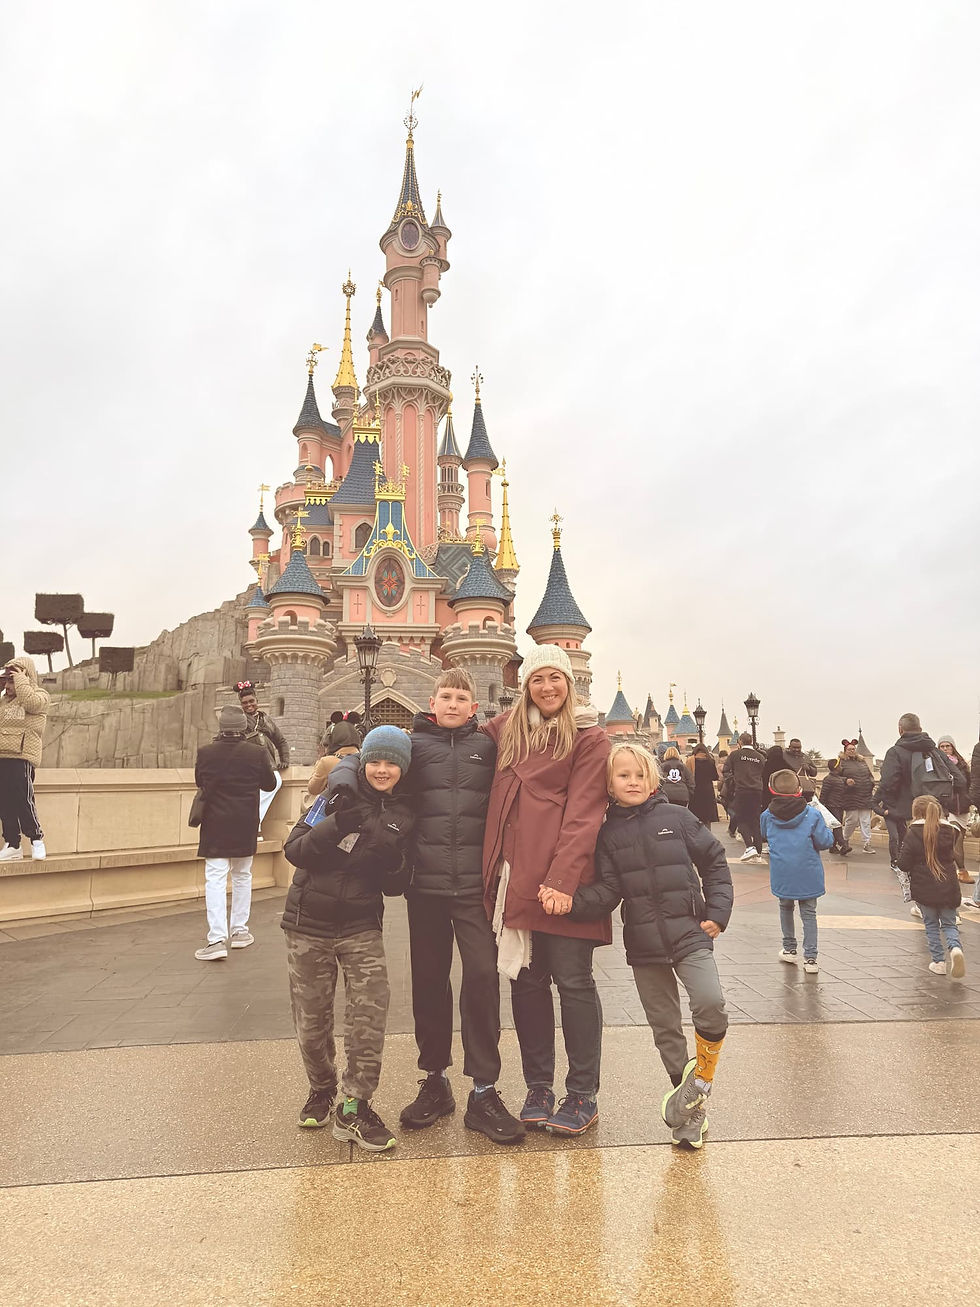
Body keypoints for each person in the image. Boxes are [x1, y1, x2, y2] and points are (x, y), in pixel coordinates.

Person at [568, 744, 732, 1150]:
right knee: (666, 1029)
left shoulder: (677, 817)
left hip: (690, 933)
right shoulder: (607, 833)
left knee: (710, 1003)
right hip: (643, 945)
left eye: (640, 775)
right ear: (609, 783)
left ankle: (702, 1082)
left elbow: (713, 860)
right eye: (623, 776)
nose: (633, 782)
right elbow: (608, 890)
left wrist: (718, 910)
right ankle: (689, 1113)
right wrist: (571, 903)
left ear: (655, 779)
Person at [481, 644, 611, 1136]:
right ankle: (539, 1086)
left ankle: (582, 1094)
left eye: (556, 678)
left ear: (569, 683)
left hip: (564, 883)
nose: (548, 688)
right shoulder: (508, 732)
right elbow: (455, 741)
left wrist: (561, 881)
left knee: (574, 985)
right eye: (538, 680)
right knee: (527, 984)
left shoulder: (587, 737)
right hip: (515, 881)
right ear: (525, 686)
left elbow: (584, 812)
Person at [399, 668, 523, 1144]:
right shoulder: (413, 748)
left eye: (461, 698)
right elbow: (377, 776)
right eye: (445, 696)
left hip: (475, 888)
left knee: (481, 980)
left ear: (475, 707)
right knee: (429, 984)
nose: (453, 704)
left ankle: (484, 1090)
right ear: (432, 702)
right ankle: (435, 1080)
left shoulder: (487, 749)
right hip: (424, 889)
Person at [280, 726, 415, 1151]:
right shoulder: (334, 797)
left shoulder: (405, 814)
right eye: (374, 760)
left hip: (360, 925)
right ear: (363, 761)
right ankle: (321, 1088)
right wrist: (337, 824)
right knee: (312, 1020)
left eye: (391, 762)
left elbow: (397, 884)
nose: (382, 769)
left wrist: (390, 863)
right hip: (308, 924)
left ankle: (354, 1105)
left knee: (369, 1017)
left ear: (403, 769)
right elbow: (295, 849)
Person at [193, 704, 277, 960]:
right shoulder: (257, 753)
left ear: (221, 728)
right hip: (245, 823)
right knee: (242, 876)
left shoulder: (205, 753)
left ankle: (216, 938)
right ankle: (240, 932)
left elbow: (200, 782)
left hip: (216, 824)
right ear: (244, 727)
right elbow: (269, 783)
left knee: (216, 879)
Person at [877, 714, 966, 893]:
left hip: (912, 814)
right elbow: (960, 780)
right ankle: (948, 903)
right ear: (920, 728)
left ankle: (922, 902)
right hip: (938, 813)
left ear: (900, 729)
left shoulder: (895, 752)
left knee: (917, 859)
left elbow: (887, 784)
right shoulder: (936, 751)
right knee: (942, 858)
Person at [761, 769, 834, 974]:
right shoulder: (812, 814)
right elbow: (825, 841)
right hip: (807, 870)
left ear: (771, 789)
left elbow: (764, 835)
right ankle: (810, 959)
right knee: (809, 913)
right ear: (799, 789)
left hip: (782, 870)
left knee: (785, 907)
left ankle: (789, 948)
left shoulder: (767, 815)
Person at [897, 796, 966, 978]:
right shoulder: (951, 831)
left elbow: (903, 863)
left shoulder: (913, 832)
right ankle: (955, 948)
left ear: (917, 812)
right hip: (949, 885)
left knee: (931, 925)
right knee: (950, 924)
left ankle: (938, 962)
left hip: (924, 887)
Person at [0, 657, 50, 862]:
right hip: (2, 755)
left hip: (21, 758)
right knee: (4, 803)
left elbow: (32, 703)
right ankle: (12, 844)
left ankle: (37, 839)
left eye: (12, 680)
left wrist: (21, 680)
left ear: (25, 678)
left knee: (23, 800)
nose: (8, 685)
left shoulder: (40, 696)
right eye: (6, 681)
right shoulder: (3, 701)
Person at [236, 681, 289, 836]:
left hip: (268, 764)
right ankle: (253, 827)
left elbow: (281, 741)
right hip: (247, 764)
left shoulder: (266, 719)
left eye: (251, 701)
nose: (249, 705)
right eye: (245, 703)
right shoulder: (239, 720)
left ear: (257, 701)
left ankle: (252, 823)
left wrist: (284, 758)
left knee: (275, 782)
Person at [722, 733, 766, 863]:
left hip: (742, 790)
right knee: (755, 820)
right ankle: (758, 853)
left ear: (740, 742)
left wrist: (733, 781)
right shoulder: (760, 757)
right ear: (751, 741)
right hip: (757, 791)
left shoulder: (735, 755)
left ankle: (749, 847)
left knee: (741, 819)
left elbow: (726, 770)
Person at [937, 736, 973, 883]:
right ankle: (961, 870)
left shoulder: (962, 764)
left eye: (948, 746)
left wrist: (970, 799)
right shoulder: (937, 763)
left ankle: (953, 870)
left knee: (959, 839)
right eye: (942, 746)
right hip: (948, 807)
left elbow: (968, 783)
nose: (945, 749)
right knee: (954, 838)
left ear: (953, 747)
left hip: (963, 807)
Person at [305, 717, 362, 800]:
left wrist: (318, 764)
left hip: (336, 810)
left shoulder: (326, 762)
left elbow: (313, 789)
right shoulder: (365, 760)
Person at [838, 739, 876, 855]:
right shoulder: (841, 762)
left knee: (865, 821)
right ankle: (845, 841)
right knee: (852, 820)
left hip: (865, 794)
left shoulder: (862, 761)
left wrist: (871, 782)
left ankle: (866, 843)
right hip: (851, 796)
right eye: (849, 749)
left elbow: (870, 775)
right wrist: (845, 781)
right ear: (845, 750)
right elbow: (837, 777)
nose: (852, 751)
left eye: (853, 749)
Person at [820, 758, 851, 855]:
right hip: (832, 805)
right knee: (837, 826)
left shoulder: (837, 778)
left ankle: (833, 847)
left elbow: (841, 785)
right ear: (836, 768)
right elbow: (823, 794)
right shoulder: (828, 779)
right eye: (840, 766)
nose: (841, 767)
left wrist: (847, 781)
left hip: (839, 805)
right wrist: (821, 806)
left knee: (836, 825)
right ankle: (843, 845)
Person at [689, 743, 720, 827]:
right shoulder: (711, 761)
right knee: (707, 818)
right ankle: (708, 836)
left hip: (696, 791)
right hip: (708, 791)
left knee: (696, 816)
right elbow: (715, 776)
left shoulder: (691, 760)